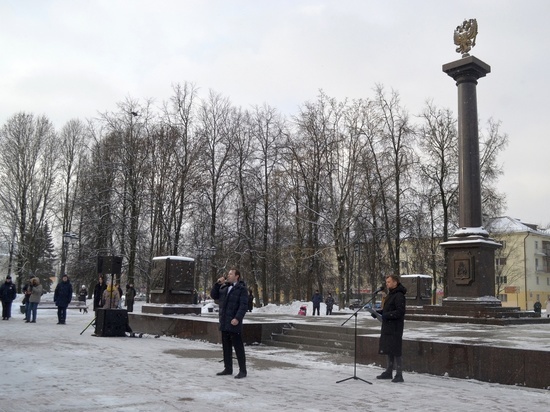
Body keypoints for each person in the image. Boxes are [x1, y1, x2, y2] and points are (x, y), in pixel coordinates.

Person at [210, 268, 248, 379]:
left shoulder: (241, 289)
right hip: (224, 321)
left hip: (234, 322)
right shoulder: (224, 287)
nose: (228, 275)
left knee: (238, 347)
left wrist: (237, 318)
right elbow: (214, 295)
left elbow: (243, 306)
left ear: (237, 276)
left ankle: (243, 370)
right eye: (228, 274)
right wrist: (217, 284)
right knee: (226, 347)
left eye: (231, 274)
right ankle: (228, 368)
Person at [374, 274, 407, 383]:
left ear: (395, 282)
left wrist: (386, 315)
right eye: (386, 282)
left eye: (389, 282)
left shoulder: (399, 295)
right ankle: (389, 371)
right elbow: (388, 310)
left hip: (395, 327)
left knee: (396, 350)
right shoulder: (391, 294)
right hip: (388, 326)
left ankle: (399, 374)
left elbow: (399, 312)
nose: (387, 284)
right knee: (389, 349)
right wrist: (377, 313)